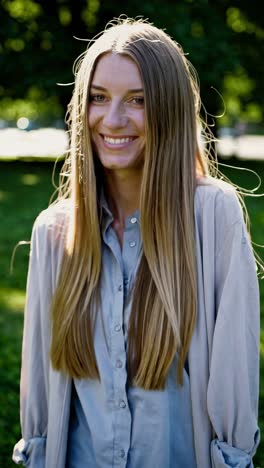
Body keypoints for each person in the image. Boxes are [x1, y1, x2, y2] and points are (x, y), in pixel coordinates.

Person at [13, 17, 260, 468]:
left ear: (168, 108)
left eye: (138, 101)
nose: (113, 120)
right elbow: (44, 410)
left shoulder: (214, 217)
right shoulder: (53, 233)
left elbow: (233, 382)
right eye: (99, 98)